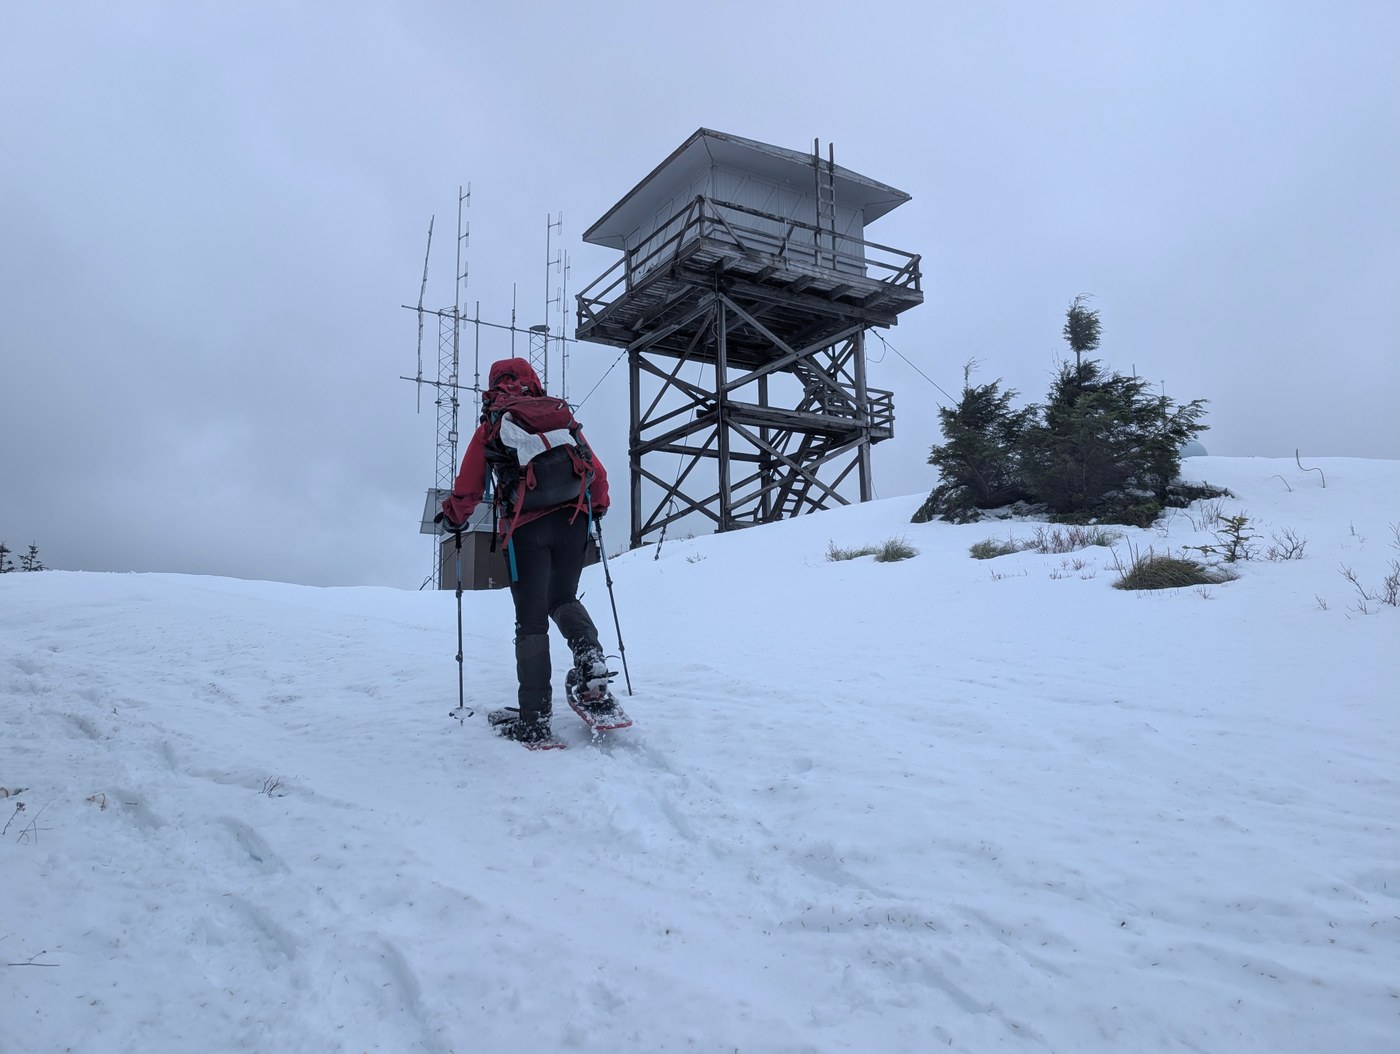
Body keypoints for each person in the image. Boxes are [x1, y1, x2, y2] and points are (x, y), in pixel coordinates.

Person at [439, 357, 614, 744]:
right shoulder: (558, 415)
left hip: (525, 528)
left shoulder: (493, 422)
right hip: (574, 520)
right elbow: (596, 471)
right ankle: (590, 661)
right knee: (563, 598)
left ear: (493, 385)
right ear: (532, 380)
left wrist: (454, 517)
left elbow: (470, 485)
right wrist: (598, 506)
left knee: (532, 622)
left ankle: (534, 719)